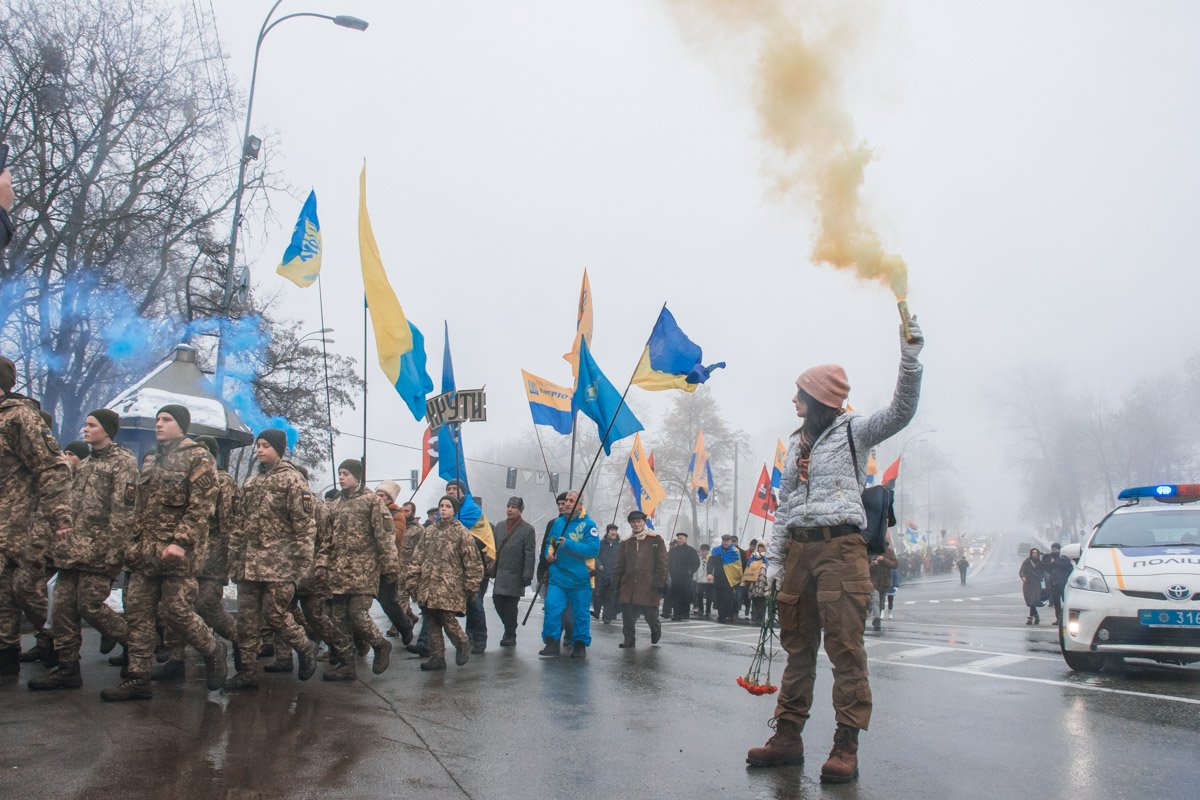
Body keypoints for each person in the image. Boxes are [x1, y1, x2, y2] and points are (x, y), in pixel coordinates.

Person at [747, 318, 924, 784]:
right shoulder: (794, 444)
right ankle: (787, 737)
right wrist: (775, 559)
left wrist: (910, 360)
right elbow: (784, 506)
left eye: (800, 394)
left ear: (820, 399)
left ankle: (846, 745)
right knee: (797, 647)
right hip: (800, 553)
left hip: (841, 550)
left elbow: (901, 411)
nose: (793, 401)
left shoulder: (854, 431)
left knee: (846, 648)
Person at [101, 405, 227, 701]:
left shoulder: (198, 458)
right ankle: (138, 678)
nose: (159, 424)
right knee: (139, 614)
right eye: (157, 419)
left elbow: (200, 509)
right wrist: (132, 544)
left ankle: (212, 648)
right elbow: (140, 509)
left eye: (166, 419)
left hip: (177, 557)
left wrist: (180, 542)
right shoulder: (153, 460)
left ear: (181, 425)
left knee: (177, 611)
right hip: (146, 554)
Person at [30, 409, 135, 690]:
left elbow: (122, 513)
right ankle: (68, 668)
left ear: (107, 430)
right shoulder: (85, 465)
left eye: (92, 425)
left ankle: (137, 647)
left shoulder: (122, 463)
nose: (85, 430)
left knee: (90, 606)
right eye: (85, 424)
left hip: (99, 555)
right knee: (62, 607)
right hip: (72, 553)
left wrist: (114, 555)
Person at [223, 429, 319, 690]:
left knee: (275, 615)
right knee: (247, 620)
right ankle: (247, 672)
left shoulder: (293, 481)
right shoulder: (252, 482)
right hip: (249, 564)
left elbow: (304, 526)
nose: (260, 450)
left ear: (278, 448)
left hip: (280, 565)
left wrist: (300, 566)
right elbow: (239, 524)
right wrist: (234, 558)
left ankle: (305, 646)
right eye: (258, 446)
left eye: (265, 446)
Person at [323, 459, 399, 681]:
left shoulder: (372, 502)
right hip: (338, 572)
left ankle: (380, 644)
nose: (342, 477)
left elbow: (385, 536)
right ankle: (347, 665)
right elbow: (328, 539)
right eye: (340, 473)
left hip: (363, 571)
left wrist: (390, 567)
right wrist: (322, 564)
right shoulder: (336, 503)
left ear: (357, 476)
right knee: (339, 621)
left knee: (357, 614)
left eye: (346, 473)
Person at [404, 495, 483, 670]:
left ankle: (462, 642)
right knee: (432, 620)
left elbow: (472, 562)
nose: (443, 509)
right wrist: (412, 580)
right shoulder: (429, 531)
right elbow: (418, 557)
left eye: (448, 506)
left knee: (447, 619)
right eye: (441, 505)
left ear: (454, 510)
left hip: (450, 586)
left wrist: (471, 585)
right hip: (428, 585)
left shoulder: (461, 532)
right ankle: (437, 657)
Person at [539, 491, 599, 659]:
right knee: (552, 608)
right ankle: (551, 642)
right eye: (566, 500)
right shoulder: (557, 523)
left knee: (580, 613)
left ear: (580, 505)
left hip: (580, 579)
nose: (567, 503)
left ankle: (579, 645)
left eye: (572, 501)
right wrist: (549, 555)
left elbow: (593, 550)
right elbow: (550, 543)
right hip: (558, 577)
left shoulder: (589, 525)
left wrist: (569, 544)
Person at [446, 480, 493, 655]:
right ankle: (468, 635)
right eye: (448, 489)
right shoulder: (446, 512)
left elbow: (482, 540)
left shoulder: (473, 513)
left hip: (474, 566)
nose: (451, 491)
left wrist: (459, 539)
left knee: (475, 604)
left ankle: (480, 638)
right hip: (454, 567)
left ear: (463, 493)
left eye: (455, 489)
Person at [613, 511, 667, 647]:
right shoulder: (626, 542)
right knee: (628, 616)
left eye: (639, 522)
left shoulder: (655, 539)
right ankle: (629, 640)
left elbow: (663, 563)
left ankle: (656, 630)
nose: (636, 524)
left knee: (650, 615)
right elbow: (620, 564)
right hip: (628, 584)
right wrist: (616, 582)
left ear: (644, 522)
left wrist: (660, 581)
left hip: (648, 584)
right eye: (633, 522)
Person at [373, 480, 415, 645]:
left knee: (387, 600)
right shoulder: (372, 510)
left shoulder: (396, 514)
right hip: (370, 564)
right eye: (377, 494)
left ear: (389, 498)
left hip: (388, 564)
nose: (378, 497)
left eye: (382, 495)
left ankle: (404, 626)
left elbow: (394, 537)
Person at [490, 496, 536, 647]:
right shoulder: (499, 526)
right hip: (501, 572)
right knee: (497, 601)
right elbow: (493, 549)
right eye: (508, 506)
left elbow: (530, 553)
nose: (510, 509)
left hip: (516, 573)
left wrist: (527, 574)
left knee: (510, 606)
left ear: (520, 510)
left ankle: (510, 634)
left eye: (514, 507)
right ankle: (509, 627)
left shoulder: (528, 529)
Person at [708, 534, 745, 623]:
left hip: (729, 579)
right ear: (722, 541)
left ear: (730, 542)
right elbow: (710, 563)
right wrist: (709, 573)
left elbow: (738, 565)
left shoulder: (735, 551)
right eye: (724, 541)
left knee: (727, 598)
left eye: (728, 541)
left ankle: (723, 616)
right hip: (718, 578)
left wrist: (740, 577)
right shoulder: (716, 551)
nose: (726, 543)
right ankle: (721, 614)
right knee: (719, 597)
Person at [667, 531, 701, 621]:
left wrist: (691, 571)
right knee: (676, 596)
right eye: (678, 538)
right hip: (675, 577)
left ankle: (685, 613)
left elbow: (697, 562)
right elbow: (668, 562)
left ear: (685, 539)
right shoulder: (673, 550)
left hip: (686, 577)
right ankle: (677, 614)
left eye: (681, 538)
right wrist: (670, 571)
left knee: (685, 595)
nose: (679, 540)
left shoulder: (691, 550)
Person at [867, 539, 898, 632]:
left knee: (880, 603)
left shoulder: (890, 552)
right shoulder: (871, 552)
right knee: (875, 600)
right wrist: (872, 564)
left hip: (885, 583)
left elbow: (895, 564)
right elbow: (865, 568)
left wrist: (884, 560)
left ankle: (876, 617)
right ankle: (876, 620)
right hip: (874, 582)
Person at [594, 524, 621, 621]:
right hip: (601, 574)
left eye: (615, 530)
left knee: (611, 596)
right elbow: (595, 556)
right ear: (608, 532)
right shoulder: (601, 544)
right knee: (599, 594)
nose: (614, 532)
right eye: (612, 530)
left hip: (613, 575)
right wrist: (598, 564)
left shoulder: (620, 546)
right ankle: (596, 611)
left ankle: (607, 617)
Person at [1044, 543, 1072, 625]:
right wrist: (1047, 562)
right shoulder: (1050, 558)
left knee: (1066, 601)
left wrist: (1054, 562)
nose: (1054, 551)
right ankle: (1058, 619)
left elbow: (1066, 566)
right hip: (1054, 583)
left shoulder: (1063, 558)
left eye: (1056, 549)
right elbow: (1047, 570)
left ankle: (1067, 619)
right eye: (1053, 549)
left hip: (1063, 583)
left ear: (1059, 550)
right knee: (1056, 602)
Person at [1020, 547, 1047, 625]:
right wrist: (1023, 576)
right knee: (1029, 600)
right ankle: (1036, 616)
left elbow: (1043, 572)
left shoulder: (1040, 563)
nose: (1034, 554)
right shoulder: (1027, 562)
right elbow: (1021, 571)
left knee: (1033, 600)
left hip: (1036, 584)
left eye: (1036, 553)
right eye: (1033, 553)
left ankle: (1031, 618)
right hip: (1028, 584)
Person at [744, 542, 770, 624]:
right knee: (754, 599)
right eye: (760, 547)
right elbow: (748, 566)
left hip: (764, 581)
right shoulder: (753, 556)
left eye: (763, 547)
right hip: (754, 581)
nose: (761, 549)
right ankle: (754, 615)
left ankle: (761, 616)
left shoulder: (768, 556)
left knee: (762, 600)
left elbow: (769, 566)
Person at [693, 543, 713, 617]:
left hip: (709, 581)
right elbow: (695, 568)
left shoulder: (711, 558)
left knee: (709, 596)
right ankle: (701, 609)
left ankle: (708, 610)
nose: (704, 552)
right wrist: (695, 578)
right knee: (699, 594)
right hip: (700, 580)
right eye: (703, 550)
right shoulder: (698, 558)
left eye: (706, 551)